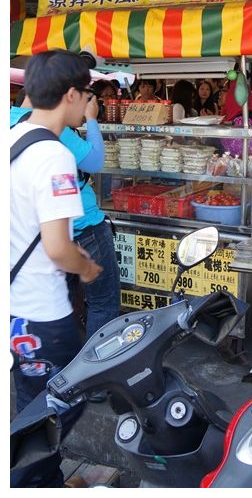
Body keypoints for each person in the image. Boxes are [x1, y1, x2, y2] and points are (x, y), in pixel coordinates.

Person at [10, 50, 102, 486]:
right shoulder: (54, 156)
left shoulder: (12, 137)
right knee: (63, 399)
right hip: (42, 311)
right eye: (87, 93)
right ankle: (35, 483)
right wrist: (85, 268)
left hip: (13, 305)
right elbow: (57, 247)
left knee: (33, 398)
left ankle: (45, 479)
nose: (89, 101)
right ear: (71, 94)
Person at [11, 87, 121, 348]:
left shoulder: (10, 122)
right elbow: (94, 161)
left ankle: (65, 376)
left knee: (64, 299)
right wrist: (92, 119)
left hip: (29, 234)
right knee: (103, 301)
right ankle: (96, 372)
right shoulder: (50, 134)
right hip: (82, 226)